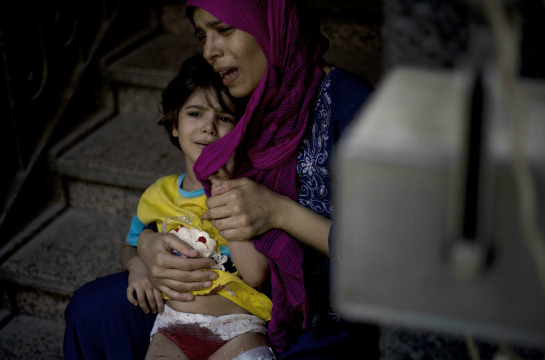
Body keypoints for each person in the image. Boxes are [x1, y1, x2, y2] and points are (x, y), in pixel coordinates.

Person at [64, 1, 379, 358]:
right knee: (92, 311)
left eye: (224, 30)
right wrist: (147, 249)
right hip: (217, 285)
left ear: (268, 23)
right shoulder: (251, 97)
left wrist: (280, 213)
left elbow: (388, 256)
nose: (210, 51)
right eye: (203, 36)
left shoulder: (352, 106)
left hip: (315, 311)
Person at [120, 53, 275, 359]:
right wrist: (137, 265)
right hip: (173, 327)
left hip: (239, 327)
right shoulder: (158, 194)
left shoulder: (246, 193)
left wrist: (222, 193)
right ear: (174, 124)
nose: (209, 128)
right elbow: (129, 246)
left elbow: (256, 275)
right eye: (195, 113)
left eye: (224, 117)